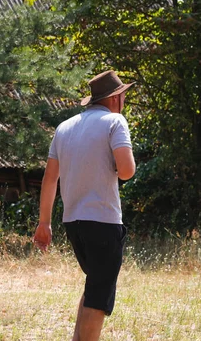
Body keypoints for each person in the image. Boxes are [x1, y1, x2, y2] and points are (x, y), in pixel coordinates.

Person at [33, 70, 136, 341]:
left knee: (93, 287)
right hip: (103, 220)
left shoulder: (64, 128)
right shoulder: (115, 121)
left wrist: (44, 223)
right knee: (99, 297)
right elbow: (126, 170)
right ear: (115, 98)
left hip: (73, 223)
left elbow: (49, 179)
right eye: (123, 94)